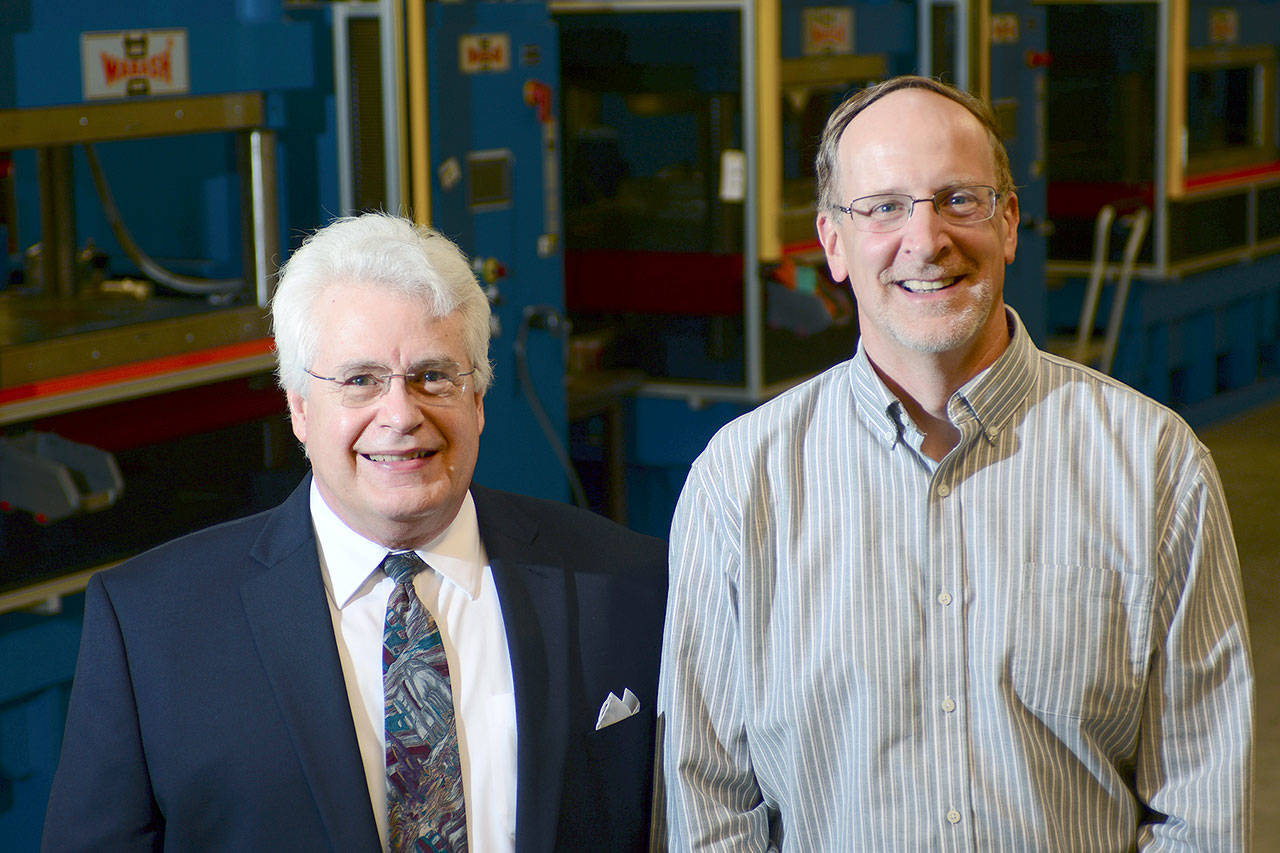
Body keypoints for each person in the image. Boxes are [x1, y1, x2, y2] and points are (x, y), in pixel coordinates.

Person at [657, 75, 1252, 850]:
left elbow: (1201, 802)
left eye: (959, 200)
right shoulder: (738, 484)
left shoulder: (1155, 465)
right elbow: (708, 803)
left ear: (1008, 223)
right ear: (832, 243)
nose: (926, 239)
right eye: (884, 207)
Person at [43, 212, 667, 852]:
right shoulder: (153, 625)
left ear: (478, 401)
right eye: (360, 380)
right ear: (299, 409)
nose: (400, 415)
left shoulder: (631, 587)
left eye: (433, 376)